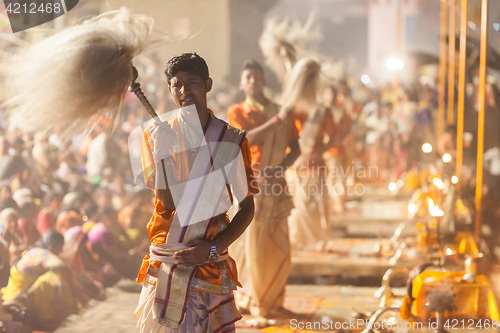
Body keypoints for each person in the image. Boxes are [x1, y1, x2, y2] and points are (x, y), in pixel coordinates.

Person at [135, 52, 256, 332]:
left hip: (209, 264)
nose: (184, 91)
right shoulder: (154, 136)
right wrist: (162, 154)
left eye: (192, 83)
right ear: (169, 90)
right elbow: (167, 202)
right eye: (177, 84)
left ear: (208, 84)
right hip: (168, 257)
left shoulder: (231, 140)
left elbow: (247, 207)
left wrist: (212, 249)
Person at [226, 59, 300, 318]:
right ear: (241, 83)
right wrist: (276, 121)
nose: (253, 81)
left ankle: (274, 298)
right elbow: (243, 140)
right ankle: (255, 301)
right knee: (252, 245)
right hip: (251, 184)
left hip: (276, 185)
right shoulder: (237, 111)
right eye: (248, 77)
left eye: (257, 77)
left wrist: (280, 169)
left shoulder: (283, 110)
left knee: (278, 243)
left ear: (264, 81)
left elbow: (296, 148)